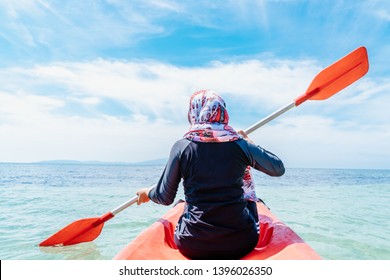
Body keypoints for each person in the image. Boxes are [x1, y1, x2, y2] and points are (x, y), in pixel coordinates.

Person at [136, 89, 285, 260]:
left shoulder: (182, 147)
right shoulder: (240, 145)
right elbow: (277, 168)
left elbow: (164, 197)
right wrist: (249, 143)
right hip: (241, 243)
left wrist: (147, 192)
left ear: (194, 112)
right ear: (222, 113)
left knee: (182, 203)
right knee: (252, 202)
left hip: (192, 244)